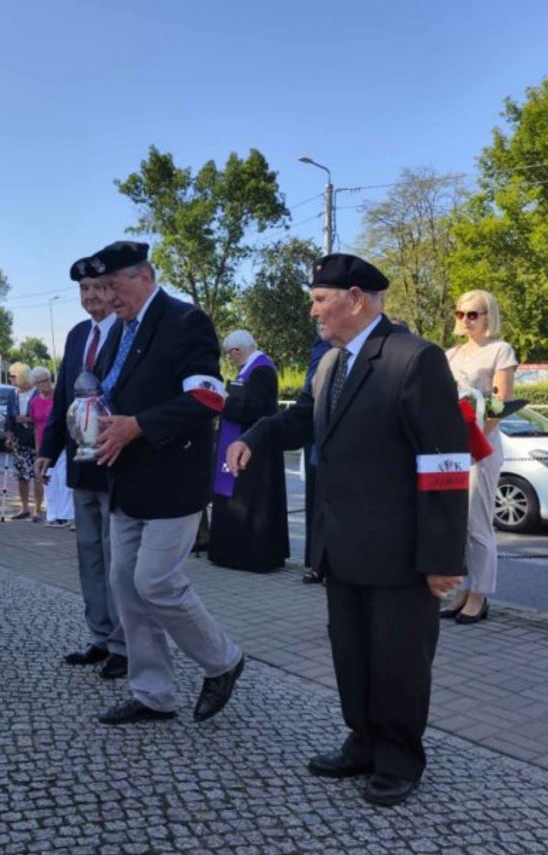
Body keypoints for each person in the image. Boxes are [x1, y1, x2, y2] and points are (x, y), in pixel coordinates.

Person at [226, 253, 469, 806]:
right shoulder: (331, 364)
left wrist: (443, 557)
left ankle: (399, 757)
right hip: (340, 544)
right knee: (351, 653)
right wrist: (256, 436)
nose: (313, 312)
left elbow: (446, 465)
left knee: (399, 660)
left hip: (399, 550)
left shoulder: (415, 358)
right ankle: (363, 741)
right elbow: (301, 419)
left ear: (355, 298)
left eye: (319, 300)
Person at [90, 240, 244, 726]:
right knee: (124, 585)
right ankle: (153, 693)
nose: (108, 297)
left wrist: (139, 425)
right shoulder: (120, 330)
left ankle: (223, 661)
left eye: (114, 286)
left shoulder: (184, 321)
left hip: (173, 475)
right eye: (103, 288)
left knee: (155, 581)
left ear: (144, 277)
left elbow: (206, 398)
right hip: (126, 474)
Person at [36, 256, 125, 678]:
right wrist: (48, 450)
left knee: (118, 556)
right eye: (84, 291)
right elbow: (60, 403)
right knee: (89, 553)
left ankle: (126, 645)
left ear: (113, 290)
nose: (91, 297)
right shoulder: (75, 337)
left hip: (116, 462)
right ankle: (100, 637)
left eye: (98, 288)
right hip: (80, 465)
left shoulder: (129, 332)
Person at [440, 290, 518, 625]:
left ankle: (479, 595)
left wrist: (476, 440)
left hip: (480, 446)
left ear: (488, 315)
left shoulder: (501, 351)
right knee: (454, 523)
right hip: (452, 447)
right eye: (461, 314)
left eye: (473, 313)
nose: (466, 320)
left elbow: (500, 404)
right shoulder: (452, 353)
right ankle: (460, 590)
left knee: (477, 522)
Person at [207, 330, 288, 572]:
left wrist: (223, 400)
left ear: (237, 351)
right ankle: (233, 552)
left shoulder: (261, 371)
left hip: (255, 452)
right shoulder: (252, 370)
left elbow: (257, 410)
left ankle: (247, 555)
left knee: (251, 505)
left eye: (229, 354)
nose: (229, 359)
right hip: (247, 446)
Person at [300, 333, 333, 583]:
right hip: (320, 434)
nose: (314, 310)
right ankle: (317, 562)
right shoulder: (324, 343)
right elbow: (312, 386)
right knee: (318, 502)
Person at [28, 366, 72, 526]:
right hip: (43, 444)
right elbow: (35, 425)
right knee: (49, 480)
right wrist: (37, 447)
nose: (44, 384)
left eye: (45, 380)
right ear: (35, 385)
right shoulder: (34, 402)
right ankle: (52, 515)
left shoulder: (59, 398)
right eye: (39, 382)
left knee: (63, 478)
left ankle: (66, 515)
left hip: (60, 442)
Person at [4, 361, 40, 520]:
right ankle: (24, 507)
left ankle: (37, 510)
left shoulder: (37, 393)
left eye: (13, 376)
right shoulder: (13, 394)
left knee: (38, 475)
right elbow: (8, 418)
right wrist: (9, 436)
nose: (10, 378)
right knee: (21, 475)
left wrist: (26, 418)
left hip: (36, 439)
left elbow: (44, 416)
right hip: (19, 438)